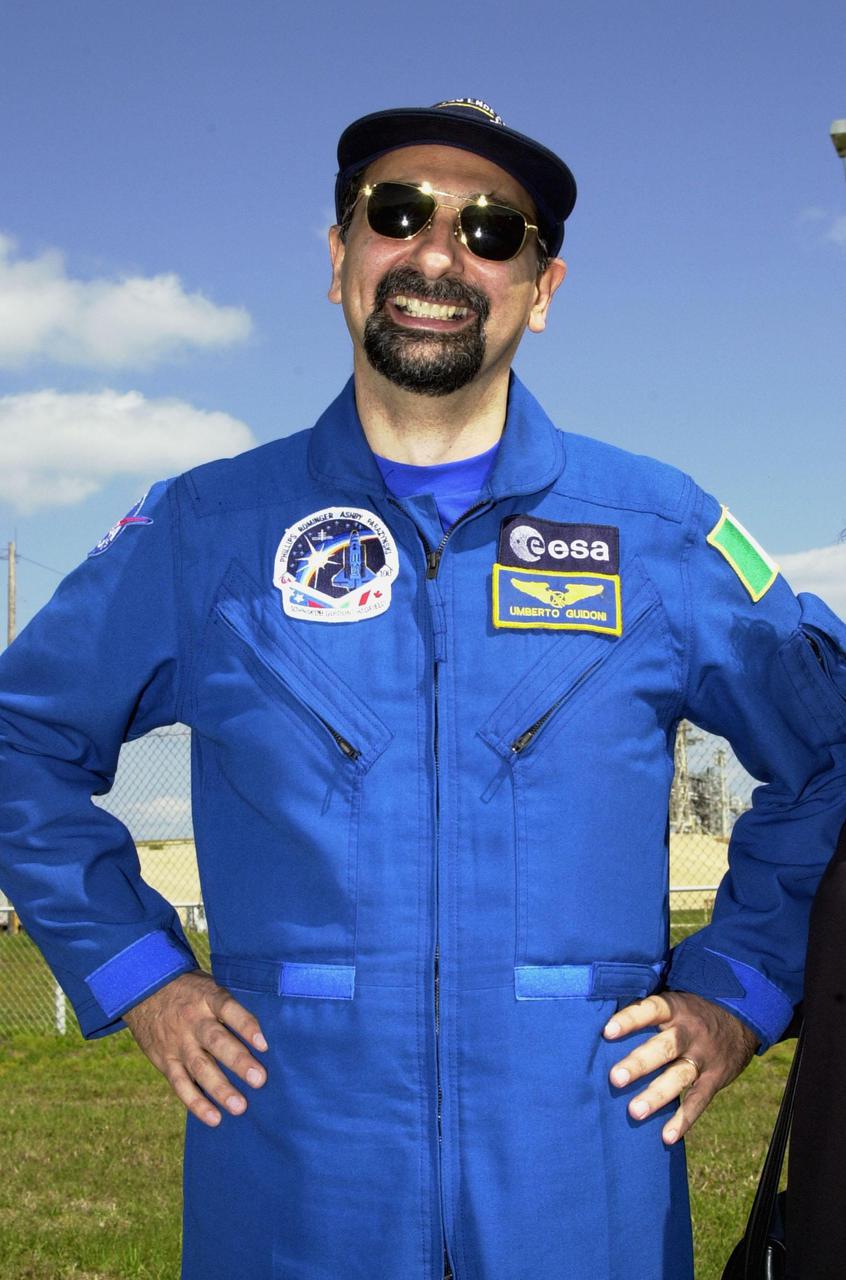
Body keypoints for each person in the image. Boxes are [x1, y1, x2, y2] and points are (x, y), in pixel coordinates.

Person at [0, 97, 844, 1280]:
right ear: (339, 257)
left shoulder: (657, 533)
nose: (441, 253)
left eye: (495, 230)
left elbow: (831, 747)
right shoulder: (207, 530)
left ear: (542, 289)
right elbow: (18, 739)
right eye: (397, 213)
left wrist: (737, 985)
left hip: (581, 1179)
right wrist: (140, 972)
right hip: (292, 1181)